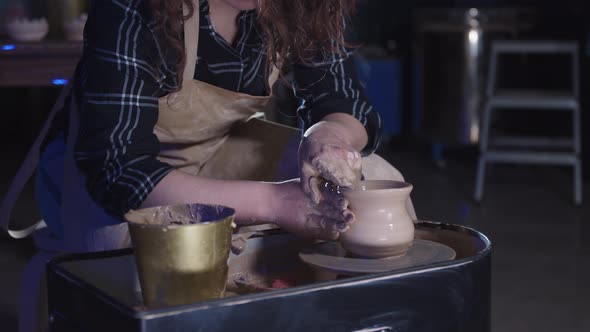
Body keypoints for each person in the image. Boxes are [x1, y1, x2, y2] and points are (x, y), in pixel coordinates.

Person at [1, 0, 415, 331]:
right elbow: (118, 169)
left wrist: (329, 139)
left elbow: (344, 102)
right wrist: (273, 203)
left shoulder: (300, 5)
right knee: (150, 262)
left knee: (373, 177)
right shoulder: (133, 6)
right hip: (109, 177)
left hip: (214, 151)